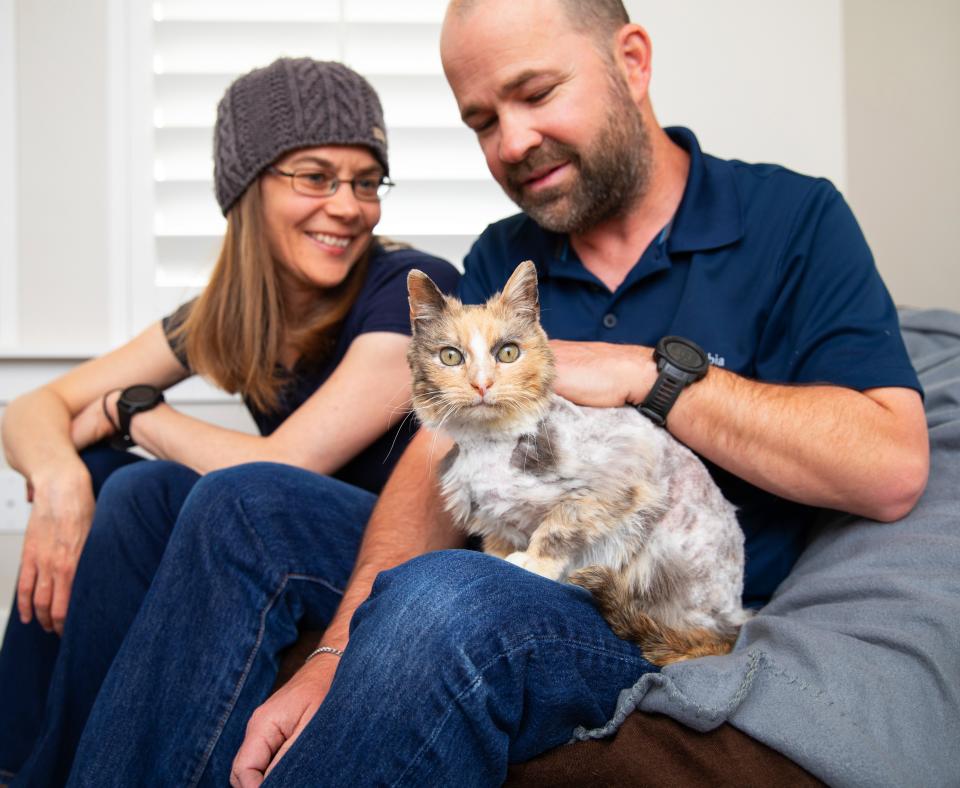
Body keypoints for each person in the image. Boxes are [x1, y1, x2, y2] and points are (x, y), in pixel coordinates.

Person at [63, 1, 933, 786]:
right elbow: (438, 462)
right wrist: (338, 645)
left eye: (536, 93)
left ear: (631, 60)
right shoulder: (502, 253)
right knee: (237, 500)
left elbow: (890, 465)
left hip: (640, 595)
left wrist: (646, 375)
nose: (511, 143)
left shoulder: (794, 220)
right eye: (482, 120)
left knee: (450, 595)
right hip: (515, 544)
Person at [0, 57, 458, 786]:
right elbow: (32, 408)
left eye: (366, 181)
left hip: (400, 544)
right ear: (247, 187)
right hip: (290, 525)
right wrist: (57, 480)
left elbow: (288, 465)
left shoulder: (410, 292)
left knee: (150, 488)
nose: (348, 205)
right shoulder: (233, 313)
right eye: (315, 175)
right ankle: (22, 767)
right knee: (100, 478)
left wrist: (137, 412)